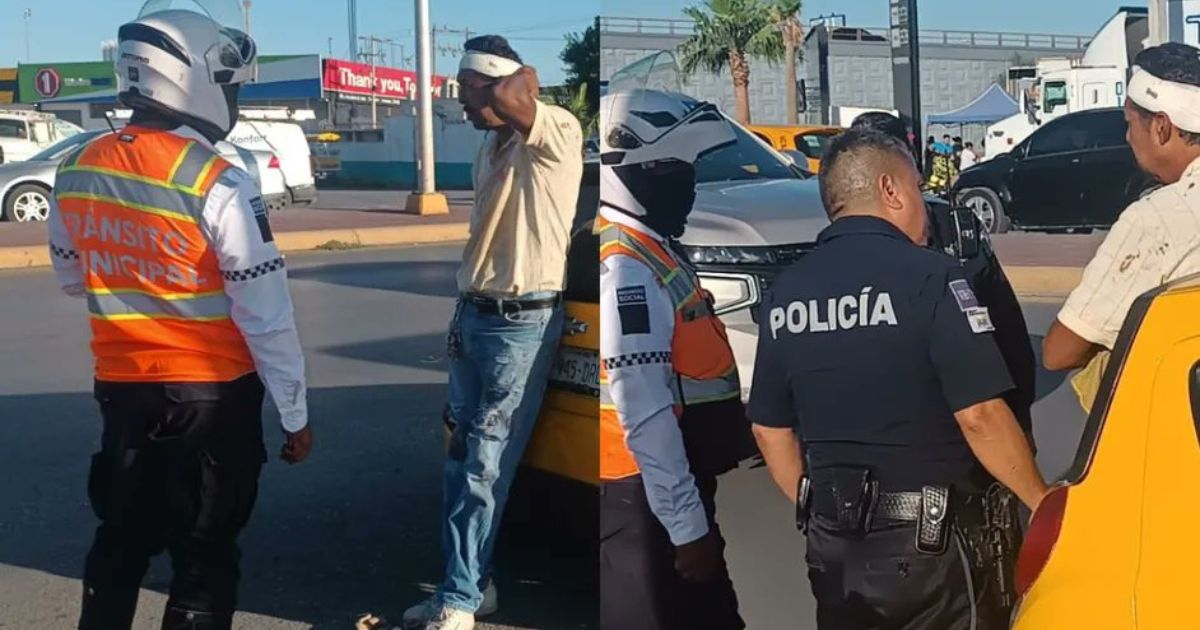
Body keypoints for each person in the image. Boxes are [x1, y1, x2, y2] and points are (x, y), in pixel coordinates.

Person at [47, 4, 312, 629]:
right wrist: (296, 414)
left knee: (119, 544)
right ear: (194, 78)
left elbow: (68, 275)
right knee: (204, 557)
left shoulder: (75, 166)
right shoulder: (218, 179)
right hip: (210, 401)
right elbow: (265, 312)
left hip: (120, 394)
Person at [749, 128, 1048, 629]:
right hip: (933, 550)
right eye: (916, 188)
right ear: (890, 191)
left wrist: (821, 502)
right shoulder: (932, 277)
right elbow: (979, 415)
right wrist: (1040, 502)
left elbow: (768, 429)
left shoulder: (786, 292)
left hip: (834, 548)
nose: (925, 209)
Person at [400, 35, 582, 630]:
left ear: (496, 84)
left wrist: (505, 74)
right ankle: (472, 586)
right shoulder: (491, 149)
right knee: (462, 460)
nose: (459, 101)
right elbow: (501, 95)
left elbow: (516, 86)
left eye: (465, 88)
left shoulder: (555, 132)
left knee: (484, 466)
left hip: (521, 324)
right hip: (473, 313)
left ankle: (458, 601)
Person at [597, 88, 746, 630]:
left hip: (659, 489)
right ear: (641, 171)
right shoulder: (627, 269)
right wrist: (687, 530)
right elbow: (645, 412)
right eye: (677, 169)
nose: (689, 184)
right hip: (642, 497)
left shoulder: (649, 247)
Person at [852, 112, 1037, 442]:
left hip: (958, 418)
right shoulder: (836, 241)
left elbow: (1002, 319)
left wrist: (1021, 416)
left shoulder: (955, 226)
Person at [1044, 43, 1200, 410]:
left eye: (1130, 124)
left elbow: (1059, 351)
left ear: (1161, 126)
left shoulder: (1158, 217)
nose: (1128, 137)